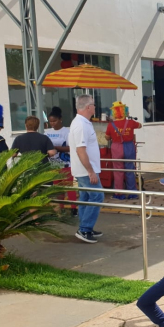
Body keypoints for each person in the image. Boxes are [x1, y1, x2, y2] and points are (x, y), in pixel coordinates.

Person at [68, 95, 104, 243]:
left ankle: (86, 227)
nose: (95, 107)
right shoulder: (81, 125)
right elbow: (80, 150)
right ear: (88, 107)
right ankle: (84, 228)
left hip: (83, 169)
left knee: (86, 198)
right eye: (94, 105)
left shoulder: (82, 122)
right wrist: (90, 171)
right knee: (97, 196)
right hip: (85, 170)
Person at [104, 101, 142, 199]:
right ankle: (132, 193)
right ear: (125, 111)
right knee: (130, 170)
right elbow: (140, 125)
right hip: (129, 146)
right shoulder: (131, 122)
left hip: (116, 147)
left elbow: (107, 137)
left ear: (114, 113)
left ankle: (119, 194)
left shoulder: (111, 125)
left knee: (118, 171)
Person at [45, 106, 78, 215]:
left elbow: (70, 148)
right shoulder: (47, 133)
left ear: (60, 119)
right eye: (50, 121)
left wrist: (56, 148)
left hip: (65, 163)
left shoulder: (66, 132)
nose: (52, 123)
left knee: (68, 186)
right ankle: (61, 207)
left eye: (54, 121)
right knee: (58, 188)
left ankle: (74, 208)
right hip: (53, 164)